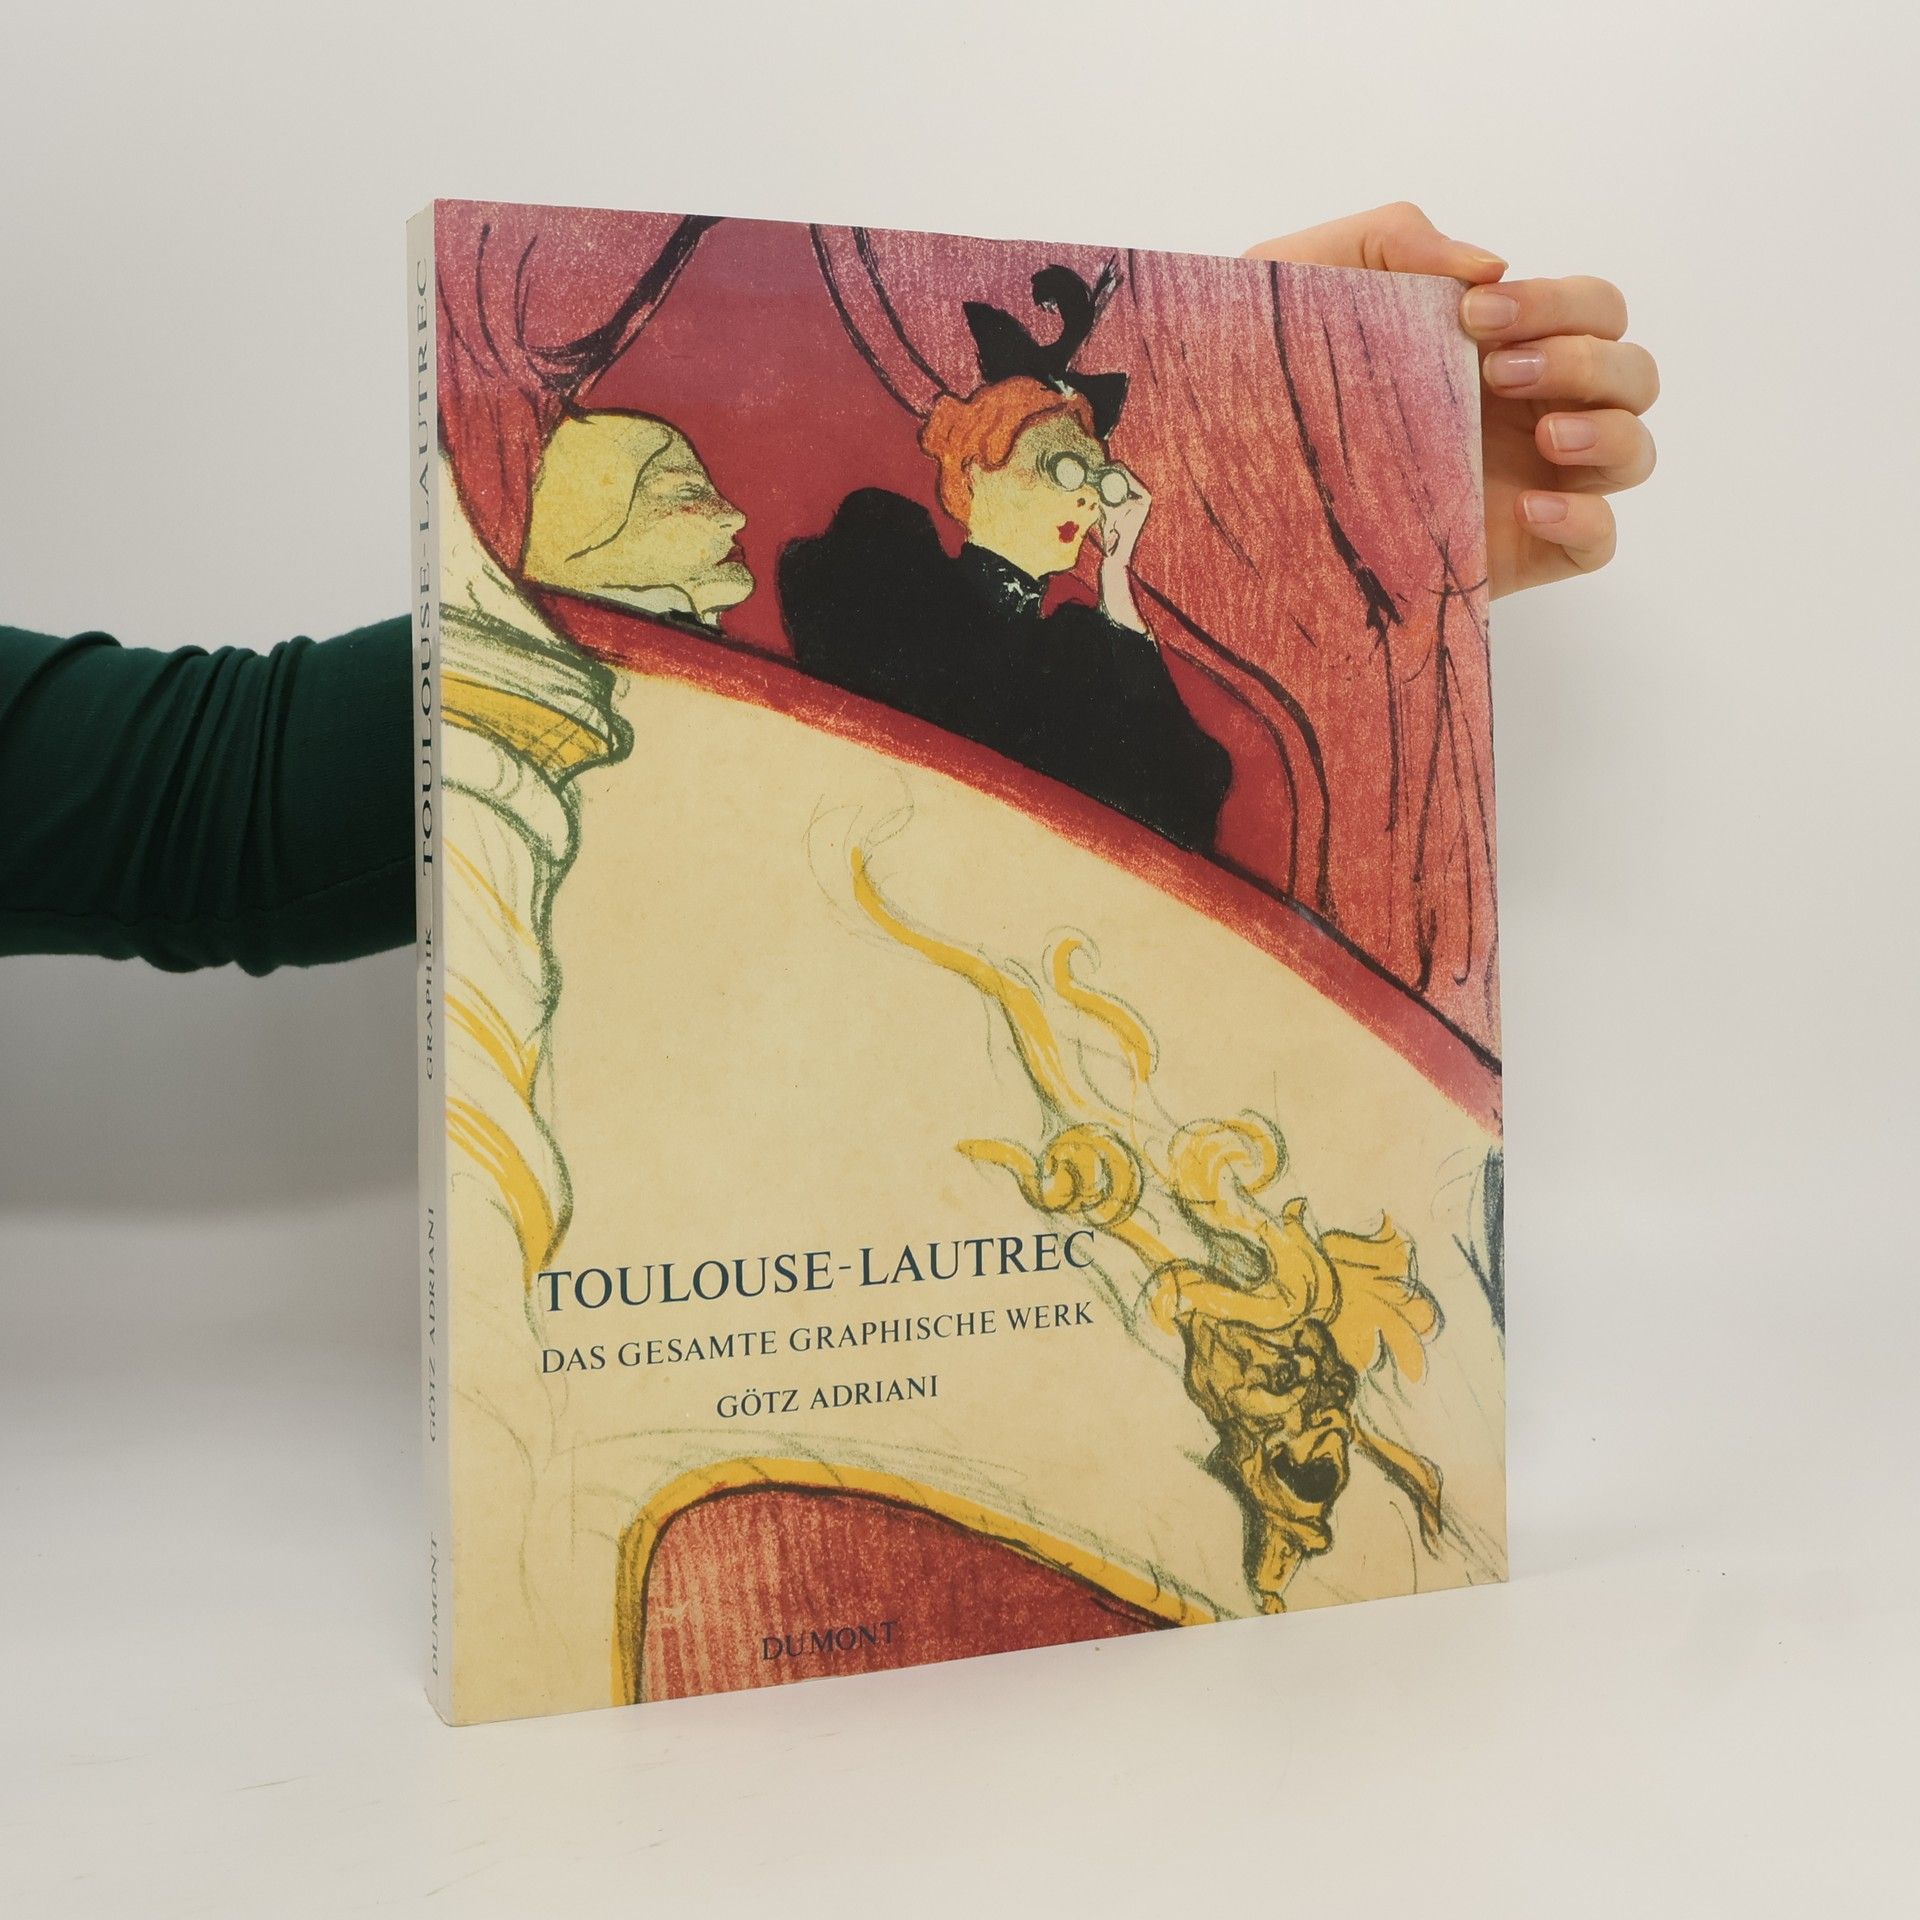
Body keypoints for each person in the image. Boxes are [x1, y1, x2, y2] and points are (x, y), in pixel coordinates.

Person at [0, 204, 1659, 973]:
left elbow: (208, 798)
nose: (1092, 496)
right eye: (1059, 463)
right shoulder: (860, 564)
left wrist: (1225, 413)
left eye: (1100, 469)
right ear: (965, 472)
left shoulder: (1093, 643)